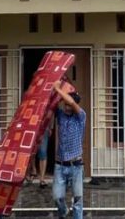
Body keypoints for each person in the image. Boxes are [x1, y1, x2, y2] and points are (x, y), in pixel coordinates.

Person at [52, 79, 86, 219]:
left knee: (77, 201)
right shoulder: (60, 115)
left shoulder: (81, 117)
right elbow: (51, 104)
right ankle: (64, 211)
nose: (66, 107)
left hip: (76, 165)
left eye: (69, 105)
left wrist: (58, 89)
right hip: (60, 165)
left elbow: (71, 102)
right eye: (64, 105)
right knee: (57, 197)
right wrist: (54, 86)